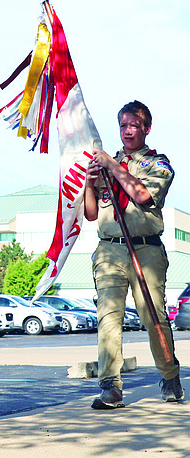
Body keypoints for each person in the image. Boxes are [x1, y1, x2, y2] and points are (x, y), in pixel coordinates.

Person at [84, 100, 184, 409]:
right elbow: (90, 213)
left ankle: (169, 375)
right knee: (108, 317)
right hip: (109, 250)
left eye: (134, 126)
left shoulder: (158, 163)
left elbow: (142, 195)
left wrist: (114, 167)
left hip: (146, 248)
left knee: (151, 316)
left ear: (146, 129)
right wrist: (91, 183)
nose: (128, 131)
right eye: (123, 126)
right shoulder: (106, 162)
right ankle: (110, 386)